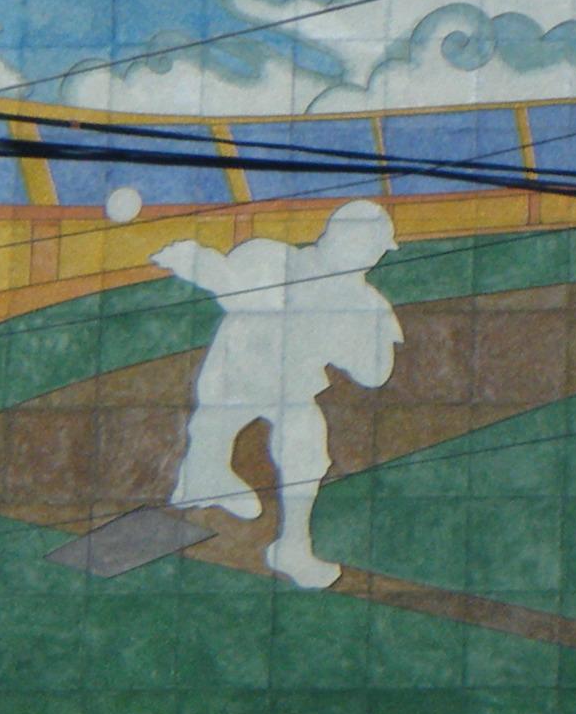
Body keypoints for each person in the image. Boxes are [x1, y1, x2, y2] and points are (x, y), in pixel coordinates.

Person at [155, 198, 402, 591]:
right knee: (216, 421)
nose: (371, 258)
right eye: (369, 247)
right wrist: (197, 261)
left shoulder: (363, 303)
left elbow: (375, 372)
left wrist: (349, 337)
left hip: (288, 382)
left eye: (374, 251)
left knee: (304, 447)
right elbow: (234, 288)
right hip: (238, 367)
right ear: (345, 242)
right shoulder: (274, 259)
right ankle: (203, 477)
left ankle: (292, 547)